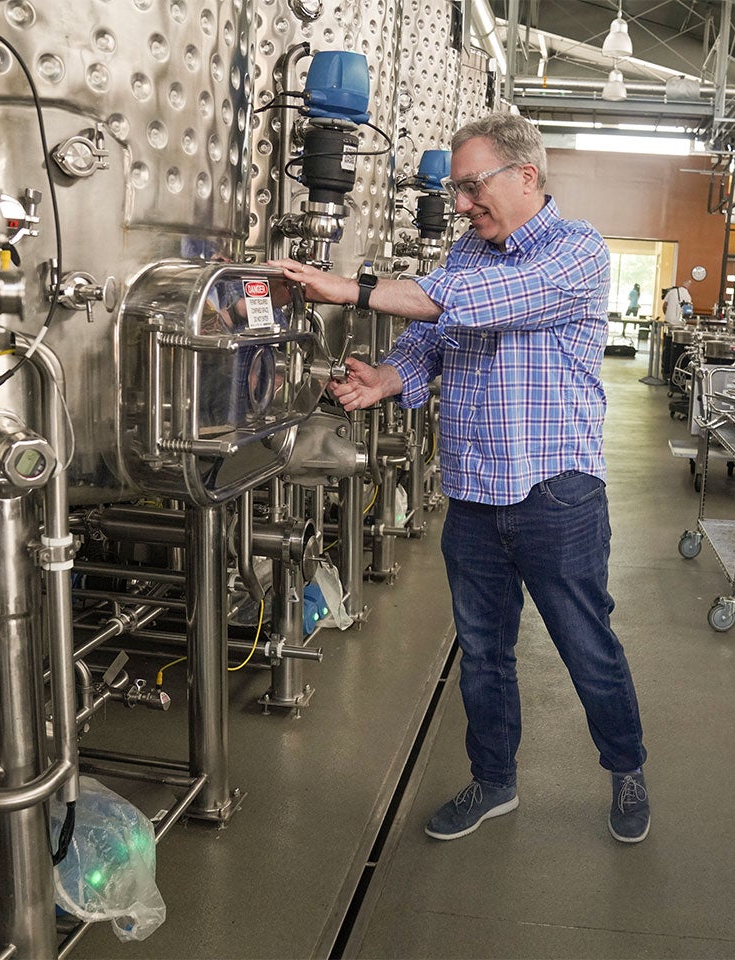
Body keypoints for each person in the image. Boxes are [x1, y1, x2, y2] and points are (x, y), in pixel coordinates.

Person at [269, 112, 649, 844]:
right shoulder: (467, 253)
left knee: (586, 646)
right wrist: (386, 378)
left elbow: (467, 307)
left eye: (473, 187)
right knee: (482, 653)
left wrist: (350, 287)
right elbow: (429, 342)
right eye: (458, 189)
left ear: (527, 176)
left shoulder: (578, 252)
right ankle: (494, 780)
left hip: (555, 492)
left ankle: (627, 768)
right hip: (472, 493)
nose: (465, 203)